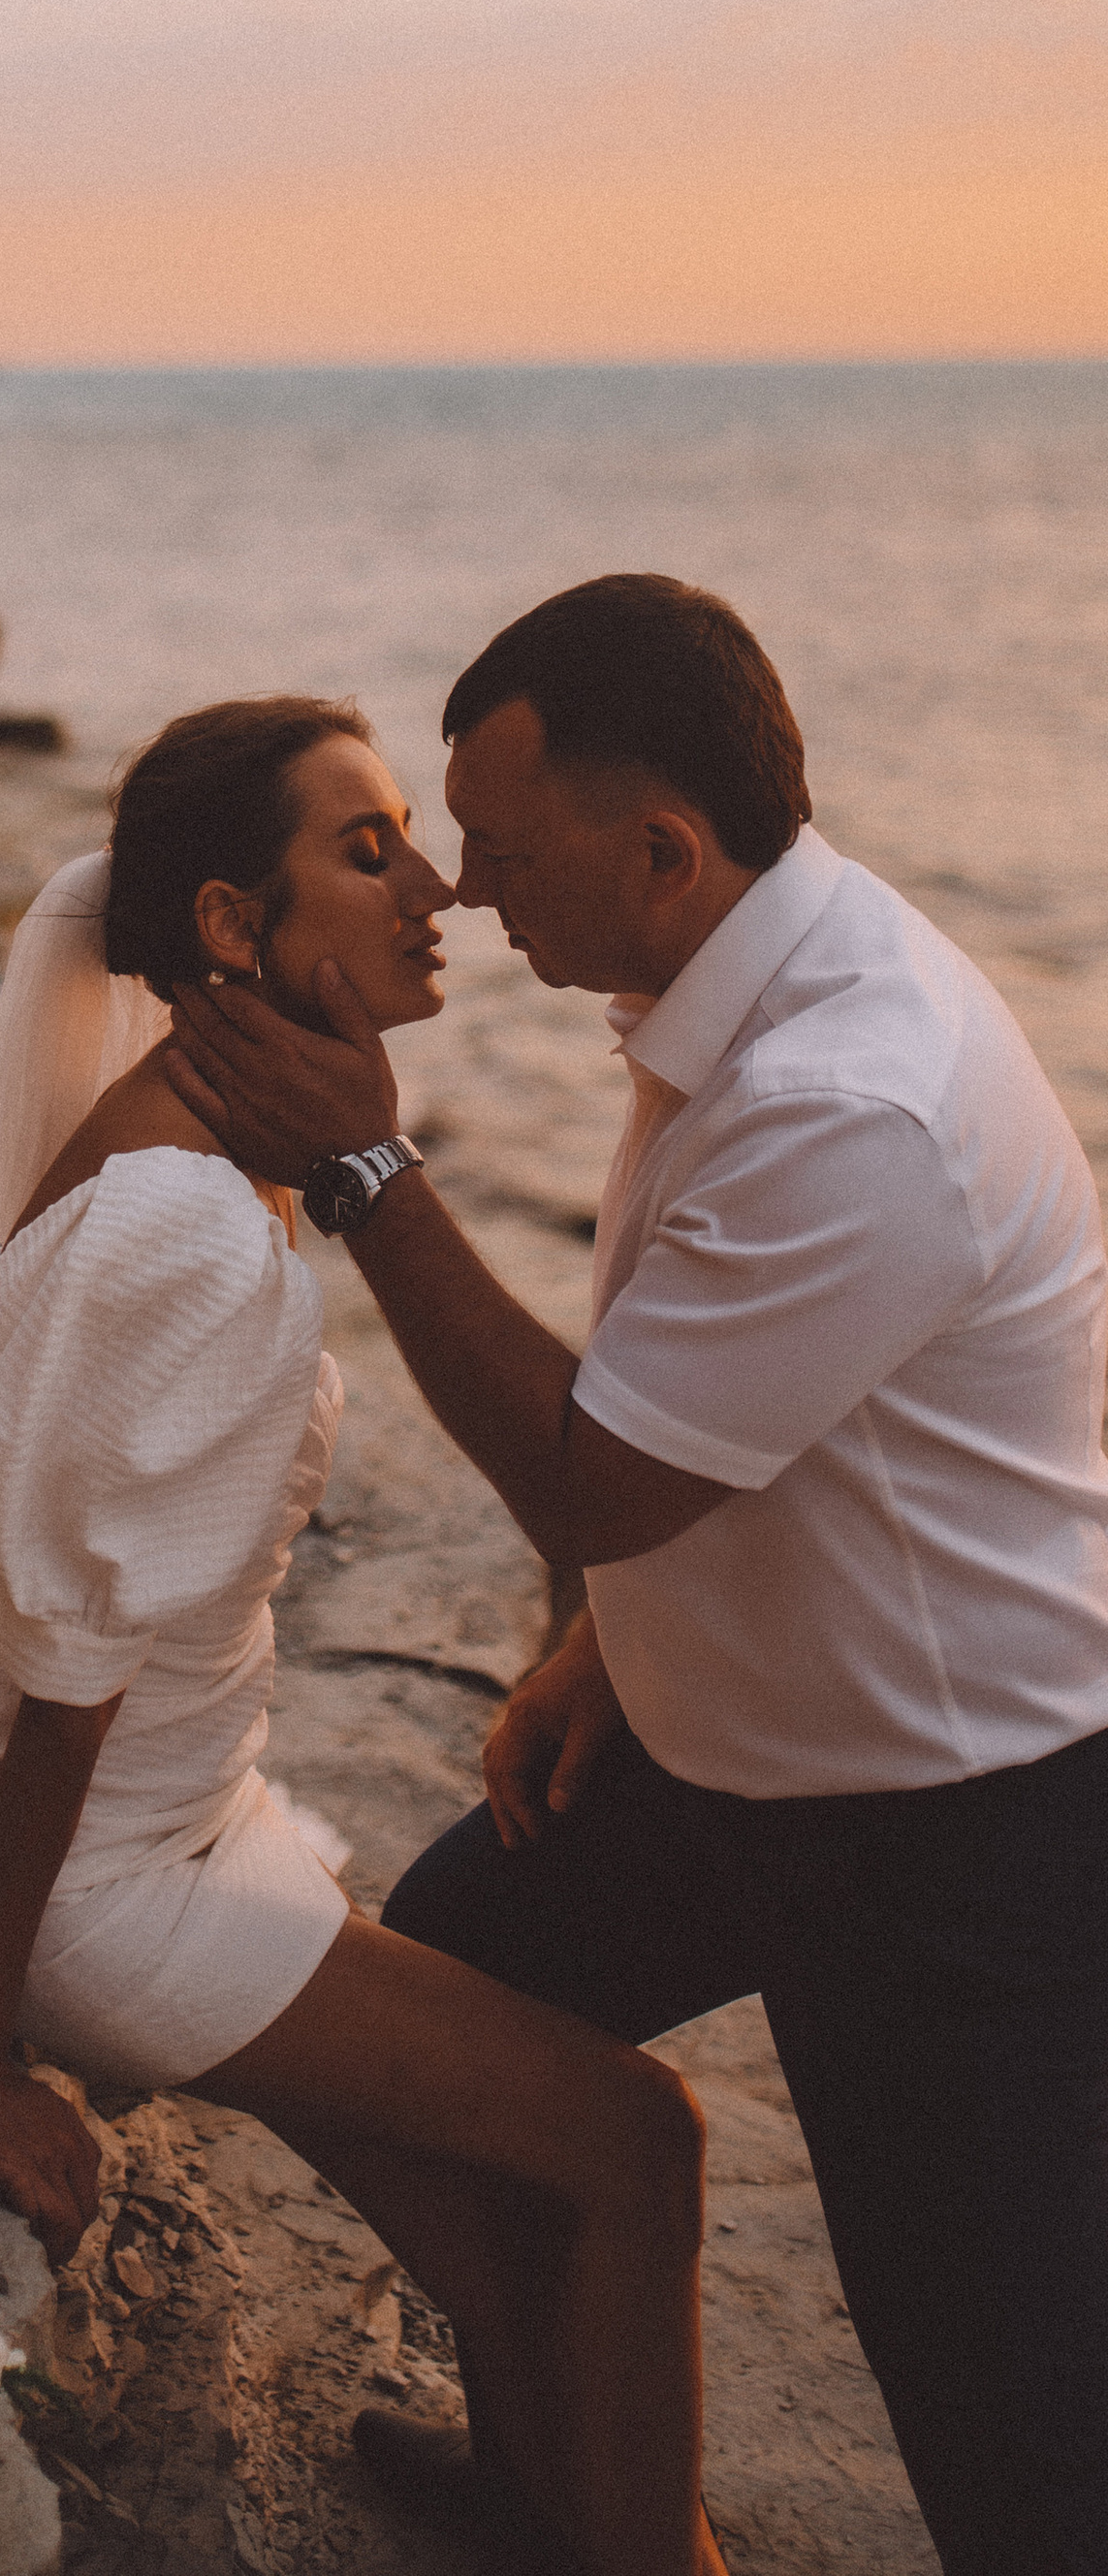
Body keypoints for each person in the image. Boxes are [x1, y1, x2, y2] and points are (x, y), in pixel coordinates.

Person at [166, 576, 1108, 2576]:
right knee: (462, 1987)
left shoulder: (853, 1098)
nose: (460, 890)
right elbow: (741, 1416)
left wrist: (364, 1170)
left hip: (944, 1823)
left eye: (495, 850)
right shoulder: (728, 973)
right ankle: (572, 2497)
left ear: (659, 846)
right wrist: (615, 1643)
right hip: (714, 1750)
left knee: (1004, 2414)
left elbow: (597, 1473)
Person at [0, 694, 729, 2576]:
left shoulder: (171, 1148)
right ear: (231, 931)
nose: (433, 887)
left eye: (412, 836)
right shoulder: (187, 1224)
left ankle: (540, 2501)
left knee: (490, 2193)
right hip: (94, 1882)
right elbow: (78, 1662)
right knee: (634, 2140)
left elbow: (42, 1485)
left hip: (175, 1818)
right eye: (367, 848)